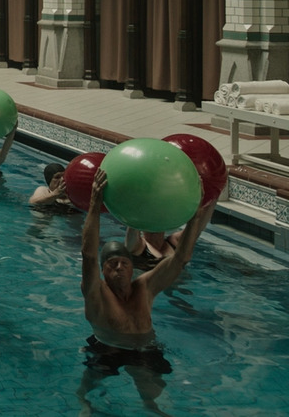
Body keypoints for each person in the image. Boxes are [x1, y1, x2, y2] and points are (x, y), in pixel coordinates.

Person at [78, 170, 217, 415]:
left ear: (133, 267)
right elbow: (88, 254)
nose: (119, 268)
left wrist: (195, 216)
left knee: (153, 397)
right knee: (89, 387)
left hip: (144, 348)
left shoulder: (145, 287)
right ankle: (84, 405)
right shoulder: (95, 292)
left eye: (124, 263)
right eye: (112, 265)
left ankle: (151, 407)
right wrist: (94, 203)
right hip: (106, 347)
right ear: (103, 270)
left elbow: (181, 259)